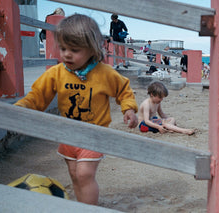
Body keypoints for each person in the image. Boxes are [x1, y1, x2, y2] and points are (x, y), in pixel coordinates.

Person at [14, 14, 138, 205]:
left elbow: (123, 90)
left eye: (74, 50)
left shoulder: (104, 73)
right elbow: (37, 96)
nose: (66, 54)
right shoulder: (56, 73)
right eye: (63, 48)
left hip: (94, 133)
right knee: (74, 175)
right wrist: (21, 109)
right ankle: (81, 206)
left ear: (92, 49)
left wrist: (128, 109)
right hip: (68, 133)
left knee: (85, 174)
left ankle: (89, 209)